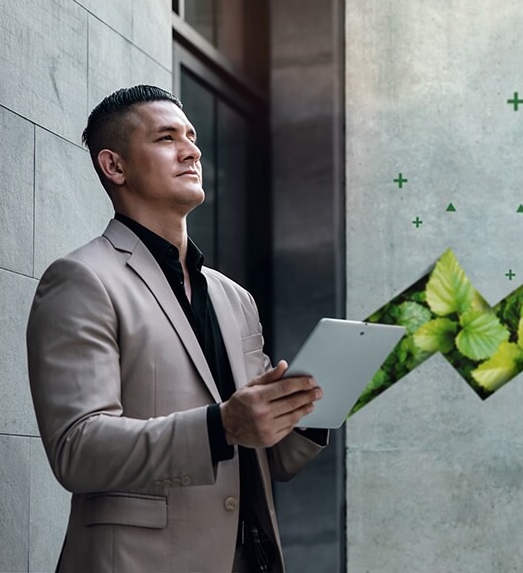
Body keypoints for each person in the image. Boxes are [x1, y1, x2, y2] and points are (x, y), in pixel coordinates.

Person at [26, 85, 328, 573]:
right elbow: (76, 449)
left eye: (191, 136)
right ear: (115, 166)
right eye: (166, 138)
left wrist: (310, 410)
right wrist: (220, 425)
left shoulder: (235, 298)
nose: (192, 150)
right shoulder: (82, 280)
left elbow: (265, 457)